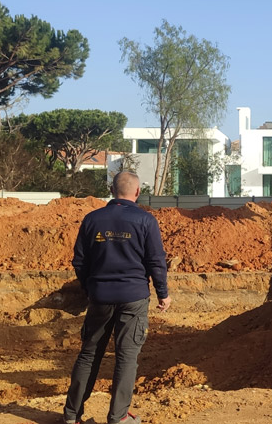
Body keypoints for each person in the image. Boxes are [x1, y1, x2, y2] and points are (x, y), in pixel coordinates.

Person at [64, 171, 171, 424]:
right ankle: (119, 417)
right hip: (134, 298)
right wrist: (163, 294)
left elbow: (80, 261)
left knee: (89, 354)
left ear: (112, 191)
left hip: (100, 297)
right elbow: (156, 261)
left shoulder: (92, 219)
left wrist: (90, 288)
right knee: (126, 357)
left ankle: (72, 416)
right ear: (137, 192)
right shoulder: (146, 220)